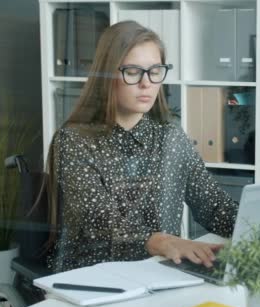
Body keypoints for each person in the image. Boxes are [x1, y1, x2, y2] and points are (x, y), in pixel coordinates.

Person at [45, 21, 238, 273]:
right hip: (91, 277)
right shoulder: (74, 140)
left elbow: (213, 206)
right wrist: (163, 241)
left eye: (155, 71)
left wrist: (259, 228)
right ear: (107, 74)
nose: (147, 83)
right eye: (134, 71)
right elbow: (100, 220)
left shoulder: (170, 136)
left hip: (159, 270)